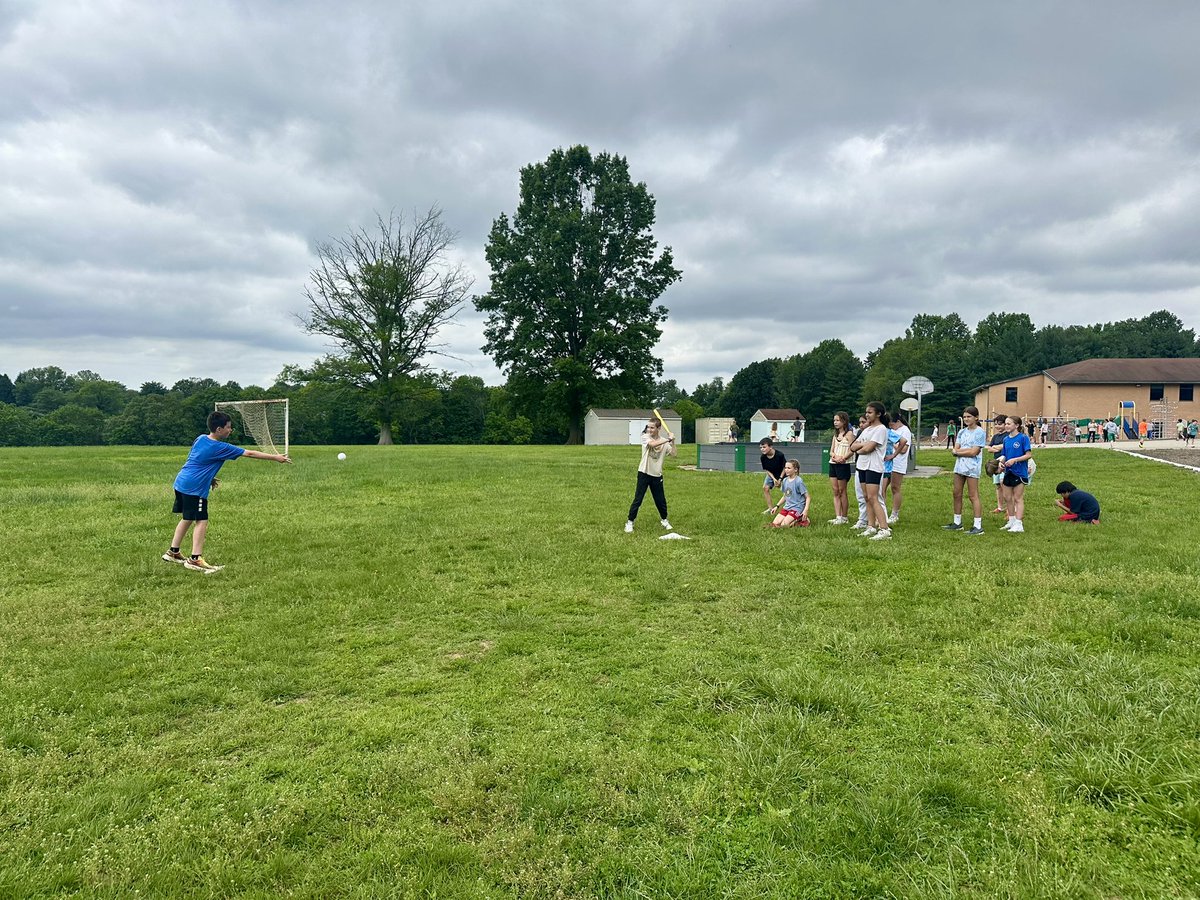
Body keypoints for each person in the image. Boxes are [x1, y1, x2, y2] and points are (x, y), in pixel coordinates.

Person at [164, 411, 291, 572]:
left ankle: (173, 552)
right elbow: (249, 453)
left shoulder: (201, 438)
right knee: (201, 520)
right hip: (194, 488)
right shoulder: (221, 447)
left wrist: (209, 477)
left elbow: (196, 458)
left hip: (181, 482)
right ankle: (195, 559)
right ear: (218, 429)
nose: (231, 430)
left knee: (188, 517)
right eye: (228, 427)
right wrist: (276, 457)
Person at [625, 416, 676, 532]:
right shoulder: (645, 437)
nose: (649, 429)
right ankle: (629, 522)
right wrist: (668, 439)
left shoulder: (664, 441)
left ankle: (664, 520)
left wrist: (673, 441)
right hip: (644, 473)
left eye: (652, 428)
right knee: (638, 499)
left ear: (659, 428)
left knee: (660, 500)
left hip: (657, 475)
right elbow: (653, 445)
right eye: (648, 427)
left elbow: (673, 454)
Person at [850, 401, 891, 540]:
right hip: (862, 466)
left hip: (874, 467)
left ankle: (884, 529)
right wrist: (863, 445)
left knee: (874, 498)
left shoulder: (881, 429)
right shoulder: (866, 430)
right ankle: (871, 526)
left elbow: (869, 448)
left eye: (870, 412)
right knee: (866, 497)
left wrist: (862, 447)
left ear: (878, 414)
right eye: (866, 412)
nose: (867, 415)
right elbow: (852, 446)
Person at [943, 406, 986, 535]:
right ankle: (957, 522)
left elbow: (974, 452)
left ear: (976, 418)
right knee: (956, 493)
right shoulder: (962, 432)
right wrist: (960, 451)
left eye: (969, 417)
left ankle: (977, 525)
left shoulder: (979, 432)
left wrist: (959, 452)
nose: (967, 419)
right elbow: (955, 449)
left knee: (973, 495)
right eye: (965, 417)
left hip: (972, 467)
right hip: (959, 467)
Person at [996, 415, 1033, 533]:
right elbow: (1004, 455)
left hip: (1020, 472)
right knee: (1008, 498)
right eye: (1005, 424)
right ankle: (1011, 521)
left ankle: (1019, 523)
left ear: (1016, 425)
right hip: (1008, 471)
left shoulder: (1023, 438)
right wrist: (1001, 462)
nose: (1006, 426)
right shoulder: (1006, 439)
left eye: (1008, 424)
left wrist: (1015, 460)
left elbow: (1028, 455)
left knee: (1018, 498)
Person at [827, 411, 855, 525]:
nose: (835, 422)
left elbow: (852, 449)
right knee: (835, 491)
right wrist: (834, 456)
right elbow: (831, 450)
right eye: (834, 420)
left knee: (842, 490)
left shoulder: (849, 435)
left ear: (844, 421)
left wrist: (843, 458)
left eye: (838, 420)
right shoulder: (835, 435)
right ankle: (838, 516)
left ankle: (844, 516)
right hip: (833, 464)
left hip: (843, 465)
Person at [883, 412, 911, 525]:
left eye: (892, 424)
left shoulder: (905, 431)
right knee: (881, 489)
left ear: (898, 422)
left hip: (898, 463)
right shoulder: (892, 430)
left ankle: (895, 514)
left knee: (895, 488)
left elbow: (903, 449)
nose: (891, 426)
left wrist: (893, 443)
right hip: (887, 464)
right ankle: (882, 513)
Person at [769, 459, 810, 528]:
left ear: (795, 470)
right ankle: (795, 519)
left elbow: (808, 497)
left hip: (797, 508)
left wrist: (805, 510)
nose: (786, 470)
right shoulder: (785, 480)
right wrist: (777, 506)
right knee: (775, 524)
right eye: (785, 468)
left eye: (789, 468)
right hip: (787, 507)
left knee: (783, 525)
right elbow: (785, 495)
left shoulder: (798, 481)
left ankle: (802, 519)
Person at [759, 437, 788, 514]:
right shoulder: (763, 457)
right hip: (772, 474)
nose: (762, 449)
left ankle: (789, 508)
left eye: (764, 447)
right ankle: (770, 509)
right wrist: (774, 479)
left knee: (788, 491)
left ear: (771, 447)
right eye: (761, 447)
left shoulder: (780, 455)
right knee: (765, 488)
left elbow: (785, 468)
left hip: (783, 473)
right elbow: (767, 470)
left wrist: (780, 479)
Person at [988, 415, 1007, 516]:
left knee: (1004, 483)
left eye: (1000, 424)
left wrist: (997, 447)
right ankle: (1000, 507)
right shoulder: (995, 437)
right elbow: (989, 449)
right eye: (996, 424)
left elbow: (1006, 447)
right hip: (996, 464)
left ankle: (1010, 507)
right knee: (998, 485)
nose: (997, 426)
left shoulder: (1008, 435)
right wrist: (998, 448)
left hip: (1005, 463)